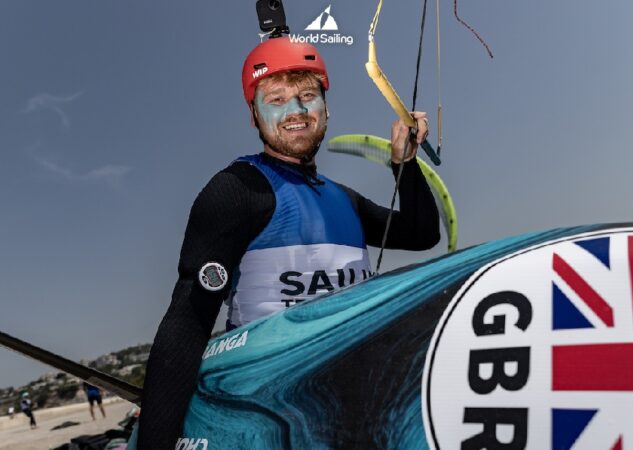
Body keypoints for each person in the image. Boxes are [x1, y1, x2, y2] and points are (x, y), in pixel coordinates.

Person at [137, 37, 440, 449]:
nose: (295, 111)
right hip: (267, 414)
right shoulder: (236, 192)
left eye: (307, 96)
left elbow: (423, 235)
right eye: (275, 98)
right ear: (254, 117)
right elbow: (188, 323)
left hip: (353, 408)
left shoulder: (343, 200)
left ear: (326, 108)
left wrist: (404, 164)